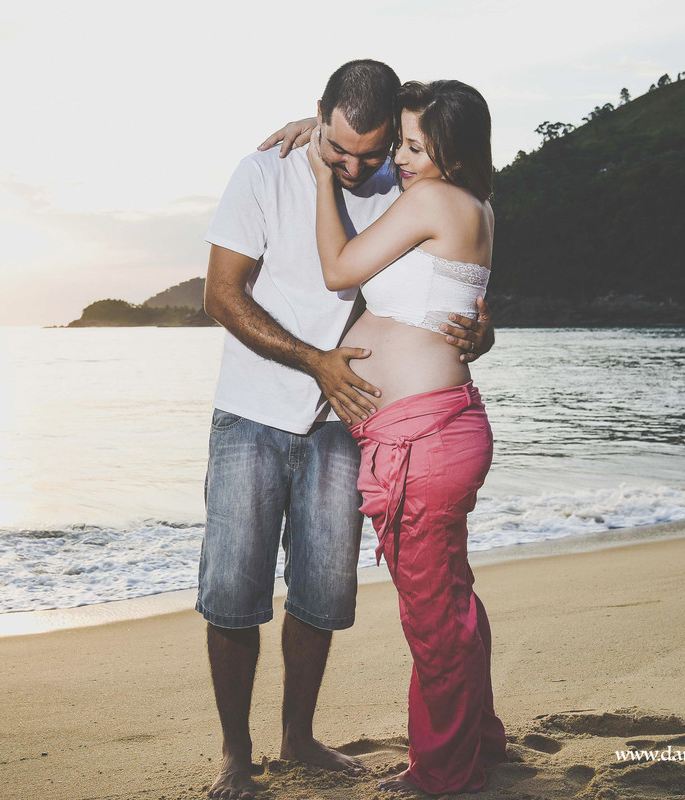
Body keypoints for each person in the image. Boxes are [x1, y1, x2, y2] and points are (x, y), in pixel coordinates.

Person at [198, 61, 495, 800]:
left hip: (351, 421)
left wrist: (481, 329)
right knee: (235, 590)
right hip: (256, 408)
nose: (360, 164)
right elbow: (219, 293)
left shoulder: (406, 179)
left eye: (377, 150)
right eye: (341, 150)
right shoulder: (266, 171)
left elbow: (451, 269)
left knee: (322, 593)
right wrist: (315, 363)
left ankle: (299, 737)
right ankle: (237, 754)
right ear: (319, 116)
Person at [299, 79, 508, 794]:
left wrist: (325, 171)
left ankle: (444, 774)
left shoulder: (429, 198)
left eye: (417, 146)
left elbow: (338, 271)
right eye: (402, 143)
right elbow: (455, 306)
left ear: (449, 151)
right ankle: (479, 741)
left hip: (423, 441)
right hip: (438, 428)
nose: (404, 157)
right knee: (450, 599)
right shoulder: (476, 203)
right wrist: (334, 127)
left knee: (433, 618)